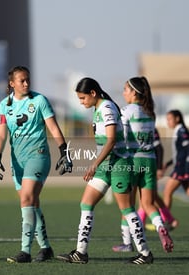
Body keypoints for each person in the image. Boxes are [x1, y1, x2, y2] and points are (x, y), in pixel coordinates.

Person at [56, 77, 153, 264]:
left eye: (83, 98)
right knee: (86, 203)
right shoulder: (98, 108)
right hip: (105, 165)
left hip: (118, 164)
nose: (82, 102)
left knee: (127, 209)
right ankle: (81, 253)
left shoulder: (107, 108)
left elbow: (111, 141)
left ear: (93, 93)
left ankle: (146, 253)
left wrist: (93, 165)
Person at [0, 66, 73, 263]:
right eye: (22, 80)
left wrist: (64, 152)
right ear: (12, 84)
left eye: (28, 80)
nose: (26, 83)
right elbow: (1, 134)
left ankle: (25, 251)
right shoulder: (3, 105)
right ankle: (46, 248)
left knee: (27, 198)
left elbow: (53, 127)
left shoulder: (39, 100)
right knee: (32, 203)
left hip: (38, 155)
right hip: (17, 160)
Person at [111, 77, 173, 253]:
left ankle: (127, 243)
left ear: (134, 92)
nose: (123, 93)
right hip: (150, 160)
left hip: (133, 160)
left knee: (127, 205)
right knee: (148, 203)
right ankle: (161, 227)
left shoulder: (127, 111)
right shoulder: (150, 112)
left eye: (125, 89)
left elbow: (120, 137)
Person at [162, 110, 189, 217]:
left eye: (169, 119)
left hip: (181, 168)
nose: (168, 122)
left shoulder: (181, 131)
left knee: (167, 192)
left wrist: (183, 168)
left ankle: (164, 221)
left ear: (177, 119)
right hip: (182, 167)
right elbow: (180, 152)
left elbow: (186, 151)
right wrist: (168, 164)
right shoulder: (179, 130)